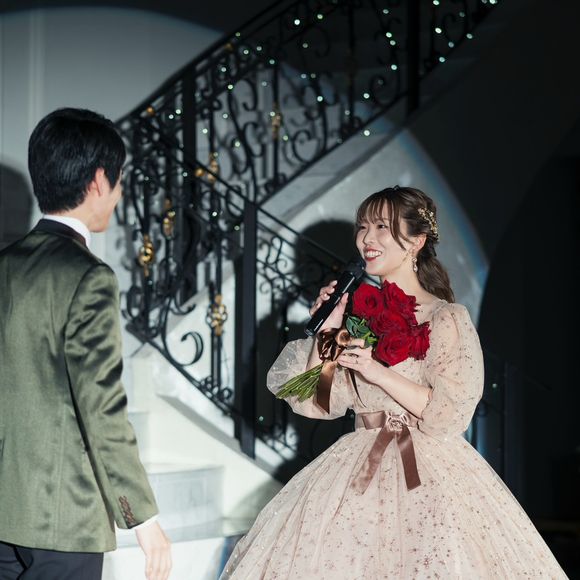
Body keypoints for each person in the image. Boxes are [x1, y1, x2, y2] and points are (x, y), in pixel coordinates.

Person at [219, 186, 568, 578]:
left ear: (416, 241)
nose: (367, 238)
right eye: (362, 227)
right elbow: (317, 402)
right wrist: (328, 331)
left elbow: (449, 414)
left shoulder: (445, 318)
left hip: (429, 470)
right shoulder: (357, 318)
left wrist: (377, 372)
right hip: (355, 465)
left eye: (382, 227)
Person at [0, 108, 172, 580]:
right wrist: (144, 519)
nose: (119, 195)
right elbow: (101, 407)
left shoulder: (5, 265)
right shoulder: (89, 276)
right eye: (119, 181)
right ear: (99, 181)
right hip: (63, 517)